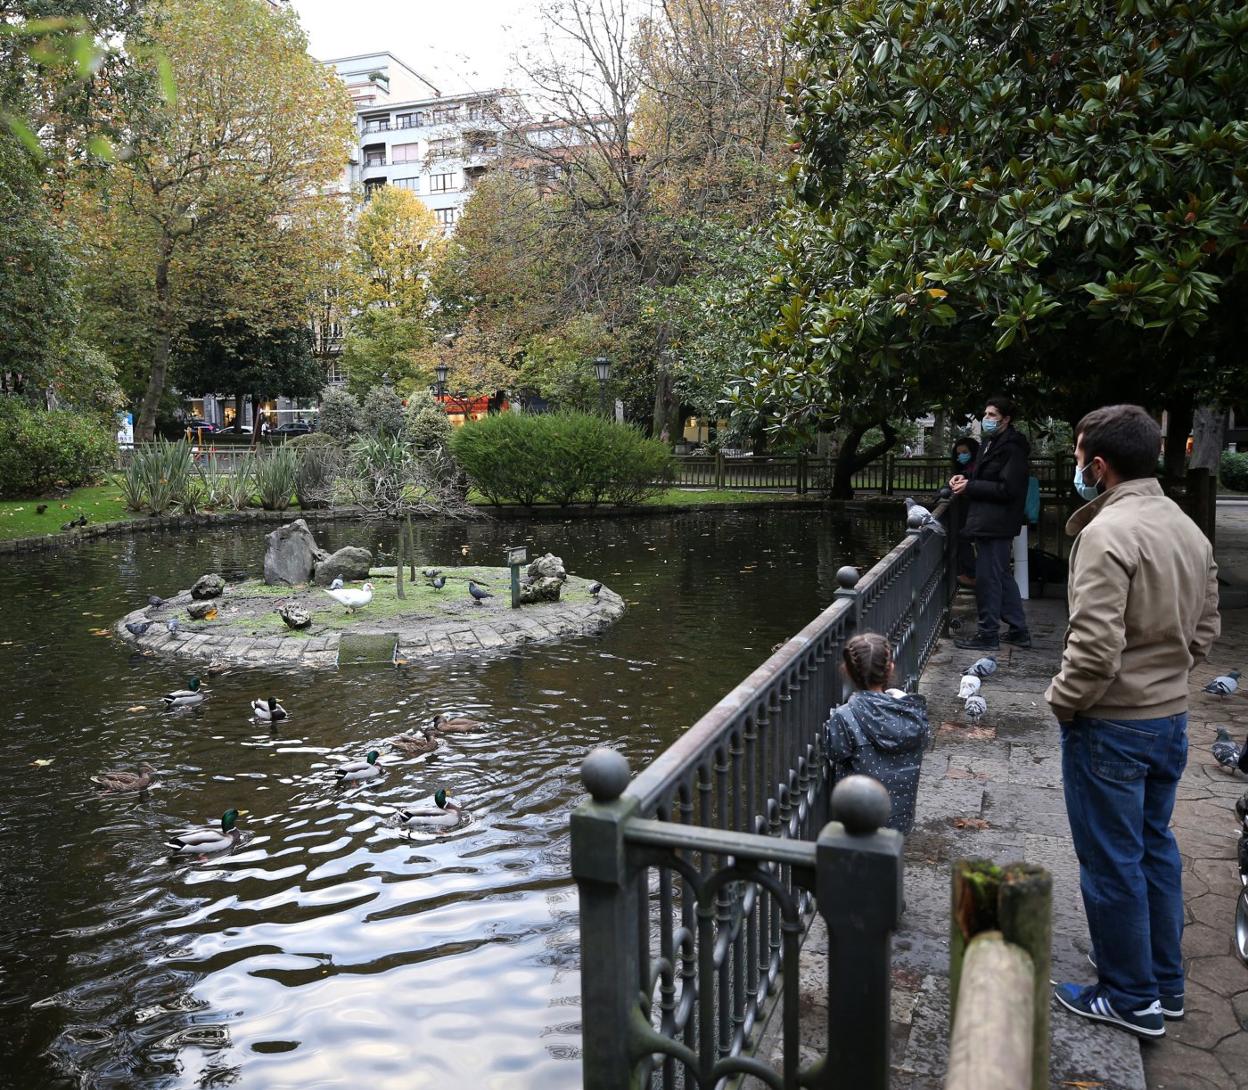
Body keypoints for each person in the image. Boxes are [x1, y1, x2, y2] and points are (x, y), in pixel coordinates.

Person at [1047, 404, 1219, 1039]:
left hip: (1112, 722)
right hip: (1169, 718)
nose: (1075, 467)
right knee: (1153, 849)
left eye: (1076, 457)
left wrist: (1064, 702)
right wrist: (1167, 674)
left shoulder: (1106, 533)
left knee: (1111, 860)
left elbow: (1094, 648)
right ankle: (1163, 985)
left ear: (1099, 465)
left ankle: (1129, 996)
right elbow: (1207, 629)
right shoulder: (1186, 527)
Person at [825, 633, 931, 834]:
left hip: (859, 814)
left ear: (846, 670)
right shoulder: (913, 713)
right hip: (900, 815)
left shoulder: (845, 716)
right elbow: (925, 739)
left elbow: (836, 752)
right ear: (890, 668)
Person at [949, 395, 1031, 650]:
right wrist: (962, 480)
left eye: (993, 415)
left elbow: (1009, 489)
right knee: (1001, 576)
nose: (987, 419)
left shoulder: (1013, 448)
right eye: (985, 414)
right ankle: (1018, 630)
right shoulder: (990, 443)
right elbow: (980, 475)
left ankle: (988, 634)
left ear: (1006, 419)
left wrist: (971, 486)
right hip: (986, 520)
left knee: (988, 579)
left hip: (998, 522)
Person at [950, 436, 980, 586]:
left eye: (965, 452)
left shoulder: (977, 469)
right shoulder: (963, 470)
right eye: (958, 453)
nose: (961, 456)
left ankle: (972, 576)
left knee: (964, 539)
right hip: (968, 511)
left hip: (977, 512)